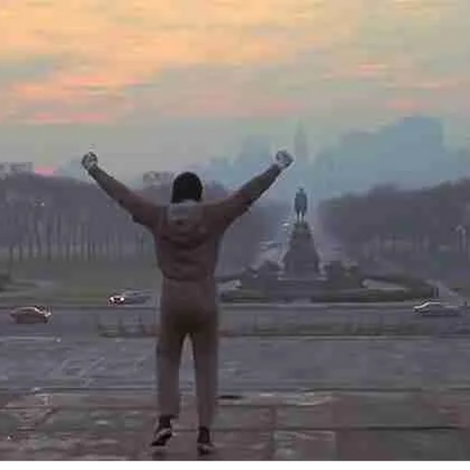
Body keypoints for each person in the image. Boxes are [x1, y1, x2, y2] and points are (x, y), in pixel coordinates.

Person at [81, 149, 294, 455]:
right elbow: (247, 194)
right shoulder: (213, 215)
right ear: (199, 194)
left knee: (167, 358)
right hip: (204, 295)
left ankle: (165, 419)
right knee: (207, 365)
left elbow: (123, 196)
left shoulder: (158, 216)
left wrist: (94, 170)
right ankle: (205, 432)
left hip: (172, 297)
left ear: (175, 194)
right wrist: (277, 167)